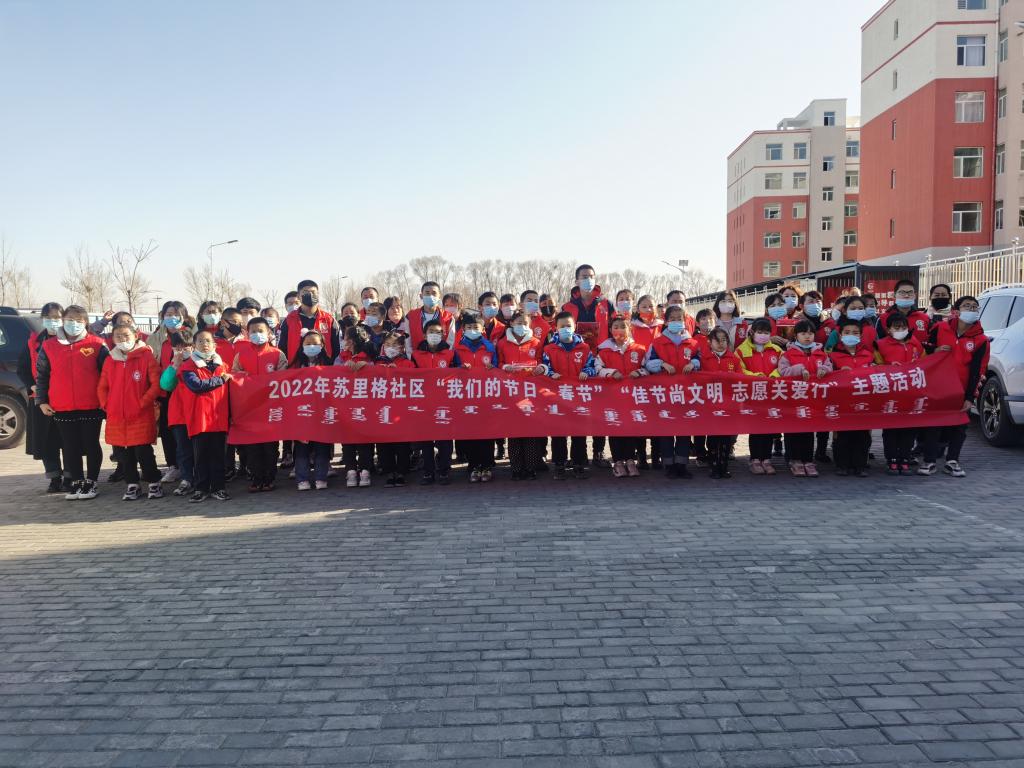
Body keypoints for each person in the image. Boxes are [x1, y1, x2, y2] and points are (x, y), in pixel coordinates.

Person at [35, 305, 108, 500]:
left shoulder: (97, 344)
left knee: (91, 443)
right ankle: (76, 482)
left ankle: (91, 482)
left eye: (78, 320)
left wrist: (106, 400)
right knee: (70, 445)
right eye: (69, 319)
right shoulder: (49, 346)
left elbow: (108, 374)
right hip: (62, 405)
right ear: (63, 320)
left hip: (92, 404)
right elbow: (42, 375)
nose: (73, 323)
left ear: (85, 322)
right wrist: (42, 401)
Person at [919, 296, 989, 478]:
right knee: (934, 424)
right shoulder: (940, 328)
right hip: (937, 386)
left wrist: (970, 397)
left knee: (959, 426)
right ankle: (929, 460)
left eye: (975, 307)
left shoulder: (981, 340)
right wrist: (934, 351)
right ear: (956, 311)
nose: (971, 309)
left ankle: (952, 461)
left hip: (961, 389)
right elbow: (924, 349)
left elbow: (978, 371)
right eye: (967, 306)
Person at [98, 323, 163, 501]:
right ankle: (132, 483)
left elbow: (155, 385)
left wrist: (142, 403)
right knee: (124, 453)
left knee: (143, 451)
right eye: (118, 336)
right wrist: (106, 404)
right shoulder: (111, 360)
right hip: (117, 415)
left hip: (140, 414)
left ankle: (154, 482)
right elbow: (102, 386)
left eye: (126, 335)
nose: (122, 339)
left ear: (136, 336)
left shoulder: (146, 356)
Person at [644, 305, 701, 479]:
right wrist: (661, 364)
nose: (676, 322)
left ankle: (682, 465)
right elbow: (648, 363)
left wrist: (693, 364)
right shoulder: (657, 342)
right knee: (666, 430)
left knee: (684, 430)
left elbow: (699, 360)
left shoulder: (692, 343)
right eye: (673, 319)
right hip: (664, 393)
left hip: (686, 394)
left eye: (680, 319)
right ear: (666, 321)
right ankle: (669, 465)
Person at [233, 316, 288, 492]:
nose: (257, 334)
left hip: (271, 407)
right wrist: (242, 378)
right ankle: (256, 479)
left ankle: (269, 478)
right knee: (252, 448)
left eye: (261, 331)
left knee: (270, 447)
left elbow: (283, 377)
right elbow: (234, 376)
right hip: (249, 409)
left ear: (269, 332)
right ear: (247, 333)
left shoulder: (277, 354)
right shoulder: (241, 355)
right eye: (253, 331)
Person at [541, 311, 597, 480]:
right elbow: (544, 367)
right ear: (556, 328)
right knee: (558, 433)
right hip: (557, 397)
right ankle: (559, 464)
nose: (566, 329)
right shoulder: (549, 349)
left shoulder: (584, 348)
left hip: (578, 397)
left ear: (574, 327)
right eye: (562, 326)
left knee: (579, 432)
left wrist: (586, 372)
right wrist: (551, 374)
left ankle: (578, 463)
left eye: (569, 326)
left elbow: (592, 367)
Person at [178, 329, 232, 502]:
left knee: (218, 455)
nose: (204, 344)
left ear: (214, 344)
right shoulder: (188, 366)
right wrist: (220, 380)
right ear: (194, 345)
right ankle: (201, 488)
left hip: (219, 417)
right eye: (200, 341)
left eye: (208, 340)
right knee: (200, 456)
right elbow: (196, 386)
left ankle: (218, 488)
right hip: (199, 417)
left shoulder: (223, 366)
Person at [18, 302, 67, 492]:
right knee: (47, 441)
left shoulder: (70, 340)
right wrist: (32, 385)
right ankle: (54, 477)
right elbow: (23, 368)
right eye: (49, 317)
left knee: (68, 440)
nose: (53, 321)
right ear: (42, 319)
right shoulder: (34, 342)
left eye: (57, 317)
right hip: (41, 400)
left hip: (65, 399)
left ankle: (70, 477)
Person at [147, 300, 195, 485]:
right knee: (168, 431)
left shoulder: (191, 335)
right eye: (168, 314)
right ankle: (173, 466)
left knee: (187, 432)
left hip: (189, 390)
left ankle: (191, 467)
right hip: (165, 390)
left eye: (176, 314)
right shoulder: (155, 338)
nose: (172, 318)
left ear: (184, 316)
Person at [777, 320, 832, 478]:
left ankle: (808, 460)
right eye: (803, 333)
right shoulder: (787, 354)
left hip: (812, 400)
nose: (807, 336)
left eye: (810, 333)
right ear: (796, 335)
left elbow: (830, 367)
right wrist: (799, 369)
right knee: (793, 430)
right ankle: (794, 460)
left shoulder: (821, 353)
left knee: (808, 430)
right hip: (793, 399)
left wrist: (824, 369)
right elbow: (783, 371)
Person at [497, 310, 546, 480]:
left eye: (525, 323)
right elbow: (499, 362)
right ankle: (516, 468)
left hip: (531, 392)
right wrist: (505, 367)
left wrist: (541, 368)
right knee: (514, 432)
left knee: (530, 431)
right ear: (511, 324)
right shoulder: (503, 343)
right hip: (511, 392)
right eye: (519, 323)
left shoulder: (536, 342)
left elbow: (542, 361)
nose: (522, 326)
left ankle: (531, 468)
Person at [596, 316, 647, 478]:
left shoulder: (639, 349)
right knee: (615, 428)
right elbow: (597, 369)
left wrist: (639, 372)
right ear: (610, 330)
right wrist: (611, 372)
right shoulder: (603, 351)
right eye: (616, 327)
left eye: (623, 326)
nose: (619, 330)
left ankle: (630, 460)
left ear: (629, 329)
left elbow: (647, 368)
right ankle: (618, 462)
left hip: (632, 397)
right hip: (612, 397)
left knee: (630, 428)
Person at [875, 314, 924, 475]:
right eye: (896, 327)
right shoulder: (880, 345)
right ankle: (892, 459)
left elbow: (925, 363)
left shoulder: (915, 343)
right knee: (891, 429)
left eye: (903, 327)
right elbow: (875, 366)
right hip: (890, 393)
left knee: (909, 428)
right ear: (888, 329)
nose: (901, 330)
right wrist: (889, 367)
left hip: (912, 393)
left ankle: (905, 458)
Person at [412, 318, 459, 485]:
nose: (434, 335)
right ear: (424, 335)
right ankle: (428, 472)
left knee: (444, 440)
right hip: (423, 403)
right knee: (426, 440)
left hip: (444, 403)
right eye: (431, 332)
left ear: (443, 335)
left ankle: (444, 470)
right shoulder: (416, 355)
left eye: (438, 332)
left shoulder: (450, 354)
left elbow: (458, 375)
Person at [453, 312, 499, 481]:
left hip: (486, 395)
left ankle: (486, 465)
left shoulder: (489, 347)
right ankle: (473, 465)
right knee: (470, 432)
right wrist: (460, 368)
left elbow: (497, 368)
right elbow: (452, 369)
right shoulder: (458, 348)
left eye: (476, 327)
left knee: (487, 432)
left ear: (482, 329)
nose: (472, 330)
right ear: (463, 329)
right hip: (466, 396)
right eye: (469, 327)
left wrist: (492, 368)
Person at [829, 318, 876, 477]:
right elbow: (827, 376)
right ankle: (842, 465)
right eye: (847, 332)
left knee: (862, 435)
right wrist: (838, 373)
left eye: (855, 333)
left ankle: (860, 465)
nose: (851, 335)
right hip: (842, 401)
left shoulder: (868, 355)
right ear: (840, 335)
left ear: (861, 336)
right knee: (842, 435)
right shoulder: (833, 355)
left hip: (864, 401)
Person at [289, 330, 334, 490]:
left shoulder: (329, 364)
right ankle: (302, 479)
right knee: (302, 447)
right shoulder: (295, 365)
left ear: (322, 345)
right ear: (301, 345)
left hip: (322, 411)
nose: (312, 346)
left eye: (315, 343)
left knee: (322, 445)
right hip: (301, 412)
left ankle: (321, 477)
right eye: (308, 343)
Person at [737, 318, 783, 476]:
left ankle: (767, 459)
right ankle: (755, 459)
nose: (763, 335)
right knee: (755, 428)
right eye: (760, 332)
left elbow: (783, 366)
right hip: (753, 394)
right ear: (752, 332)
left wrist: (773, 375)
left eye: (766, 332)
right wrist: (756, 376)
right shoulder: (741, 350)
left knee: (769, 428)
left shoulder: (777, 350)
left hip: (772, 394)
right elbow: (739, 369)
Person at [158, 328, 198, 497]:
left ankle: (201, 477)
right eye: (177, 347)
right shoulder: (172, 366)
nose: (181, 351)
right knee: (183, 449)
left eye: (185, 347)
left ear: (192, 347)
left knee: (199, 448)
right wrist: (175, 366)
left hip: (198, 412)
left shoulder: (200, 362)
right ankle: (186, 478)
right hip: (179, 414)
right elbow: (166, 385)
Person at [700, 327, 743, 479]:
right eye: (717, 340)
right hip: (711, 404)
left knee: (726, 437)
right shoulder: (703, 359)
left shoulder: (734, 359)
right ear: (709, 342)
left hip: (728, 405)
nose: (720, 343)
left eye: (724, 340)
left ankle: (723, 466)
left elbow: (741, 379)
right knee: (713, 437)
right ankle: (713, 465)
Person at [375, 332, 414, 487]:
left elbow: (414, 381)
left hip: (401, 410)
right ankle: (389, 471)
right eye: (388, 344)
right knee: (384, 443)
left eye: (395, 345)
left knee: (402, 443)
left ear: (402, 347)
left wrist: (398, 371)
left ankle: (402, 472)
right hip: (383, 409)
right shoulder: (377, 363)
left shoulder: (407, 363)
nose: (391, 348)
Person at [341, 324, 377, 487]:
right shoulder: (341, 357)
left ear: (353, 340)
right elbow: (331, 373)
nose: (345, 341)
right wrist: (344, 368)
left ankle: (365, 470)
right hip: (345, 405)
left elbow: (379, 374)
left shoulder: (370, 357)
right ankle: (350, 470)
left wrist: (367, 368)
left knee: (364, 439)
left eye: (347, 338)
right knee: (347, 439)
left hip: (365, 405)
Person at [279, 279, 341, 363]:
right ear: (299, 296)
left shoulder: (329, 319)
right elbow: (282, 348)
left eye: (313, 292)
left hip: (324, 369)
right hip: (296, 369)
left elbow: (336, 348)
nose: (310, 295)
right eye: (305, 292)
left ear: (318, 295)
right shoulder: (289, 320)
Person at [562, 264, 614, 350]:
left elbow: (616, 328)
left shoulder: (607, 304)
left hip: (603, 353)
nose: (589, 280)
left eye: (591, 277)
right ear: (577, 281)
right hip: (576, 353)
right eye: (585, 277)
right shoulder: (567, 307)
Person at [400, 281, 455, 356]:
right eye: (427, 293)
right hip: (417, 359)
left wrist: (445, 359)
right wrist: (412, 359)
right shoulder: (410, 316)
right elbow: (407, 342)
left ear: (439, 296)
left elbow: (451, 343)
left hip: (442, 360)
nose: (431, 296)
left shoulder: (448, 317)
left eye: (434, 293)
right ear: (421, 296)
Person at [878, 279, 931, 344]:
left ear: (915, 295)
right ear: (894, 295)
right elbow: (878, 343)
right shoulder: (883, 318)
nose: (906, 296)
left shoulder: (924, 318)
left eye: (910, 292)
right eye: (902, 292)